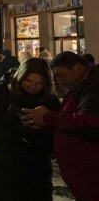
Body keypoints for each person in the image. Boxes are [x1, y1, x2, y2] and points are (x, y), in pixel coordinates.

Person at [0, 58, 61, 200]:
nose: (33, 87)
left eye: (39, 83)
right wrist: (9, 137)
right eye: (28, 81)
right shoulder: (0, 91)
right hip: (5, 162)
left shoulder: (50, 100)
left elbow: (58, 128)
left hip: (37, 167)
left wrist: (41, 133)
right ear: (20, 77)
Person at [22, 51, 99, 201]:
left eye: (60, 75)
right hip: (85, 178)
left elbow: (87, 123)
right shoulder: (83, 85)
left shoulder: (94, 86)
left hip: (92, 177)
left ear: (77, 67)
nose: (60, 81)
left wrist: (47, 117)